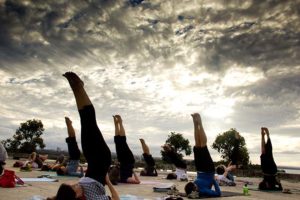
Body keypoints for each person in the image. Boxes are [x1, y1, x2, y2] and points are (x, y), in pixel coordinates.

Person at [50, 72, 119, 200]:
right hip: (102, 160)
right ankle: (78, 88)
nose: (75, 184)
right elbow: (116, 199)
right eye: (74, 187)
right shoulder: (91, 198)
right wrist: (108, 182)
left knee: (85, 122)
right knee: (90, 123)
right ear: (76, 195)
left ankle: (77, 88)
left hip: (91, 161)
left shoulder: (74, 193)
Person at [184, 113, 221, 197]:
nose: (195, 185)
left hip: (199, 169)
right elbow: (218, 193)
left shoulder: (195, 185)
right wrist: (213, 181)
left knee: (197, 145)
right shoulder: (203, 191)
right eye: (195, 187)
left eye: (194, 185)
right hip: (208, 170)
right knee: (203, 145)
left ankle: (195, 124)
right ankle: (199, 123)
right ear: (195, 190)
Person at [112, 115, 140, 184]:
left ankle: (116, 124)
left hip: (121, 159)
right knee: (122, 142)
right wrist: (132, 171)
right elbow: (138, 181)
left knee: (117, 142)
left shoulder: (118, 177)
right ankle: (120, 123)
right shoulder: (125, 179)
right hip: (128, 160)